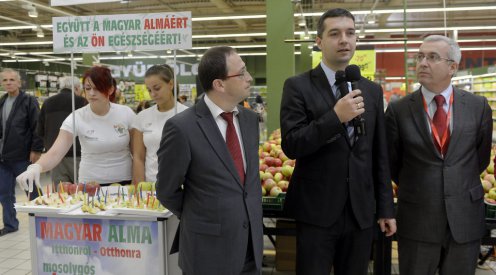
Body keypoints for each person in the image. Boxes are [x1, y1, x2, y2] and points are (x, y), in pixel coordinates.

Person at [280, 8, 396, 275]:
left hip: (361, 213)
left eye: (350, 33)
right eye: (335, 34)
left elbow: (379, 155)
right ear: (319, 42)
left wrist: (386, 209)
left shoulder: (371, 90)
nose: (344, 39)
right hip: (316, 211)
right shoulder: (298, 86)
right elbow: (292, 144)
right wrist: (335, 117)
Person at [385, 35, 492, 275]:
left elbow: (480, 158)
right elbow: (392, 162)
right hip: (417, 218)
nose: (423, 62)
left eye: (432, 57)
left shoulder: (478, 106)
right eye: (420, 56)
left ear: (453, 67)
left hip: (464, 218)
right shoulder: (399, 110)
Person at [156, 46, 263, 274]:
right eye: (242, 72)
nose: (249, 78)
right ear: (219, 84)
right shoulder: (182, 128)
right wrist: (202, 213)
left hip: (250, 247)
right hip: (207, 250)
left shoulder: (250, 120)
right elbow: (166, 190)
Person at [16, 66, 136, 189]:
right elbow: (55, 152)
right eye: (88, 88)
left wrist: (139, 181)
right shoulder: (76, 117)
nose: (91, 93)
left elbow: (137, 153)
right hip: (90, 185)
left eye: (98, 88)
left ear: (110, 90)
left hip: (125, 182)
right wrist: (36, 167)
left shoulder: (126, 113)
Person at [0, 68, 43, 236]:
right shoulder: (2, 102)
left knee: (32, 190)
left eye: (12, 80)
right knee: (4, 192)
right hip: (4, 157)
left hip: (22, 155)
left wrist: (36, 149)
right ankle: (10, 224)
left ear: (19, 82)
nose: (9, 83)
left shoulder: (28, 101)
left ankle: (41, 218)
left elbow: (37, 126)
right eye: (5, 80)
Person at [132, 64, 188, 184]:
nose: (153, 94)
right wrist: (140, 186)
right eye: (149, 90)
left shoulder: (187, 115)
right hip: (151, 184)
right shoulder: (142, 117)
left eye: (157, 88)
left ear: (171, 84)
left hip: (181, 185)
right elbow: (138, 157)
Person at [36, 76, 87, 184]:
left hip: (54, 158)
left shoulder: (47, 103)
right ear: (77, 88)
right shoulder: (82, 102)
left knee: (61, 194)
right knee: (81, 192)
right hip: (78, 155)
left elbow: (40, 131)